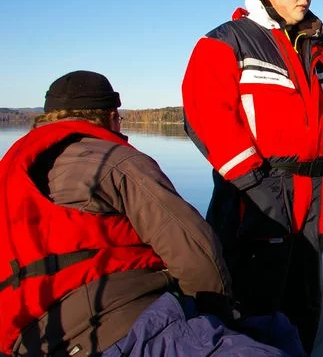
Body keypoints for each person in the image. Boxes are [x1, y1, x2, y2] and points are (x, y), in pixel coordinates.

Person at [0, 70, 304, 357]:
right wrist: (217, 316)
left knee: (275, 328)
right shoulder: (115, 160)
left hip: (26, 337)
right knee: (273, 338)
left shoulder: (13, 167)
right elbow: (194, 249)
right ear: (112, 118)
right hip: (116, 326)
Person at [182, 0, 323, 352]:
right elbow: (205, 114)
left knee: (304, 296)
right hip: (255, 191)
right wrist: (252, 182)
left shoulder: (319, 50)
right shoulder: (226, 40)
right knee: (254, 298)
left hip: (313, 192)